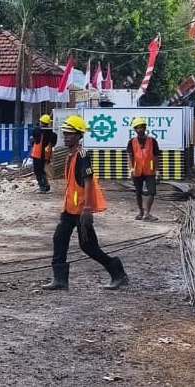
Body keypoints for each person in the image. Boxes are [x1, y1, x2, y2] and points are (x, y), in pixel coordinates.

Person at [42, 115, 129, 291]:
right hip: (70, 209)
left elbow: (89, 180)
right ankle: (60, 280)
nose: (66, 137)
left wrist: (88, 209)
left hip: (81, 210)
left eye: (70, 134)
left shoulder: (82, 155)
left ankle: (117, 272)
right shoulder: (71, 155)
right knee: (59, 239)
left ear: (79, 136)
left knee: (89, 246)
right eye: (65, 134)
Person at [127, 117, 161, 222]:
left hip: (150, 170)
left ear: (145, 128)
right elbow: (130, 157)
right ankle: (141, 212)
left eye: (142, 127)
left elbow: (156, 157)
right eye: (138, 128)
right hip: (137, 171)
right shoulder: (131, 142)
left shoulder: (152, 141)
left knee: (152, 192)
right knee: (138, 192)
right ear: (135, 129)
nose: (140, 129)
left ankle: (147, 213)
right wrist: (131, 169)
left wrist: (157, 171)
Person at [30, 114, 58, 193]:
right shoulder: (52, 133)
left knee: (38, 171)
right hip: (46, 155)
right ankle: (46, 186)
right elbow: (53, 143)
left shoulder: (38, 131)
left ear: (41, 122)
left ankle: (43, 187)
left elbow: (34, 138)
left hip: (38, 154)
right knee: (42, 171)